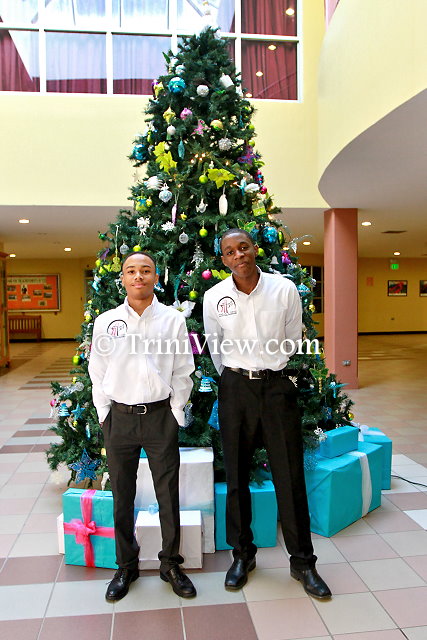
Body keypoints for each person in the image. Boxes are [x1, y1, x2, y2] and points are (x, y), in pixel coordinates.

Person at [203, 229, 331, 599]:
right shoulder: (214, 297)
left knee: (290, 476)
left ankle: (303, 562)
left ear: (255, 249)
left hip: (277, 388)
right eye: (230, 251)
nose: (238, 255)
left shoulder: (284, 289)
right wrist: (237, 377)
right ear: (223, 259)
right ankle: (243, 556)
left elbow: (292, 338)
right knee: (236, 476)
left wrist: (272, 373)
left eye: (243, 247)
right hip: (235, 389)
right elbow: (215, 346)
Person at [89, 251, 196, 602]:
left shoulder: (172, 320)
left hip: (159, 416)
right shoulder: (107, 321)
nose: (139, 276)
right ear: (122, 278)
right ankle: (126, 566)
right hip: (119, 419)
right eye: (131, 271)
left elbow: (183, 368)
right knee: (122, 494)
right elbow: (97, 368)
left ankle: (171, 564)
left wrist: (176, 410)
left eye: (146, 270)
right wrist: (104, 413)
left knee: (168, 494)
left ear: (155, 277)